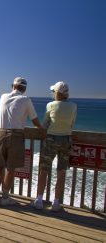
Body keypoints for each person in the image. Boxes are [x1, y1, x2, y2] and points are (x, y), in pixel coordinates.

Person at [0, 77, 42, 206]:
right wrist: (41, 129)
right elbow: (34, 120)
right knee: (10, 168)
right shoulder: (26, 100)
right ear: (24, 89)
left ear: (12, 86)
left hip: (1, 133)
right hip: (16, 136)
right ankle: (5, 197)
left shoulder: (3, 97)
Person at [32, 81, 77, 211]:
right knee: (61, 171)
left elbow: (45, 124)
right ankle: (56, 203)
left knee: (44, 169)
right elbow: (72, 123)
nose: (52, 93)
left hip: (51, 139)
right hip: (66, 140)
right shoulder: (73, 106)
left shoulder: (50, 105)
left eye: (53, 91)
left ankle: (39, 200)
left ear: (57, 93)